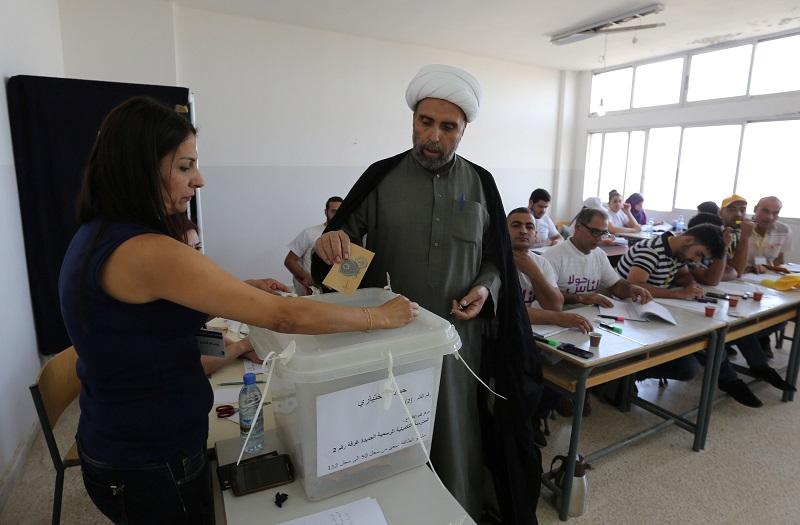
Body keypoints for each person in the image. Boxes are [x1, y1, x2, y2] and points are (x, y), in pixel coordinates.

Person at [58, 97, 417, 525]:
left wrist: (241, 288)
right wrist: (380, 317)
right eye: (185, 166)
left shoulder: (100, 233)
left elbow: (148, 311)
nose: (200, 180)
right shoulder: (146, 250)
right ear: (140, 168)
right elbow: (283, 317)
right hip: (149, 457)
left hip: (121, 438)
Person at [311, 65, 542, 524]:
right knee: (385, 440)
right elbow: (343, 272)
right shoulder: (382, 178)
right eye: (425, 122)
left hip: (458, 342)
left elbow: (496, 258)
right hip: (388, 343)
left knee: (457, 439)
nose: (433, 136)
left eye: (447, 126)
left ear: (464, 130)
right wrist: (330, 249)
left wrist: (485, 287)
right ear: (413, 120)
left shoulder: (481, 184)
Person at [686, 212, 794, 398]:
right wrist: (726, 265)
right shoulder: (689, 254)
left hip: (708, 298)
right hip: (689, 306)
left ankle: (759, 366)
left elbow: (734, 272)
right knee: (717, 333)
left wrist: (727, 266)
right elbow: (713, 278)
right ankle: (729, 380)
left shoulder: (715, 248)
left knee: (743, 325)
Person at [542, 208, 651, 308]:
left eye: (603, 233)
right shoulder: (553, 256)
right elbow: (546, 296)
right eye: (595, 232)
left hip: (589, 316)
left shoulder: (599, 254)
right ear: (578, 227)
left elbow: (615, 285)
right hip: (559, 317)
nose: (599, 238)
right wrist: (582, 298)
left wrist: (630, 288)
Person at [507, 208, 592, 332]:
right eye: (516, 225)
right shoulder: (495, 263)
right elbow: (506, 311)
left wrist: (533, 272)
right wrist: (557, 318)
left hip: (537, 332)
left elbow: (555, 305)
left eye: (530, 227)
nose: (523, 231)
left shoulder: (541, 262)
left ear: (535, 235)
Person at [284, 196, 342, 295]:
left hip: (337, 293)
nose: (337, 215)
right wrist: (309, 279)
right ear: (326, 212)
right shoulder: (309, 233)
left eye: (340, 211)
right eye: (333, 211)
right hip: (312, 294)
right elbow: (290, 261)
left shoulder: (347, 234)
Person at [747, 196, 793, 273]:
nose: (770, 217)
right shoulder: (741, 228)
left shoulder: (784, 230)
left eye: (775, 213)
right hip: (743, 272)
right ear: (755, 209)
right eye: (765, 211)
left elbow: (779, 260)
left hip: (767, 272)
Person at [719, 194, 754, 277]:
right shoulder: (715, 233)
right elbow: (735, 271)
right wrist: (745, 237)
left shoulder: (736, 233)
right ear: (720, 213)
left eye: (742, 210)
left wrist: (748, 265)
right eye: (732, 209)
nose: (738, 214)